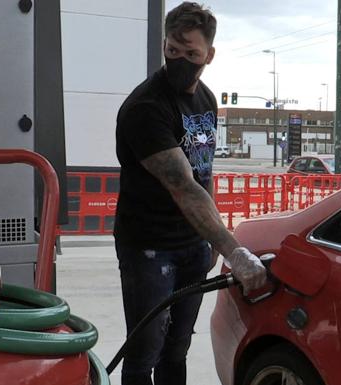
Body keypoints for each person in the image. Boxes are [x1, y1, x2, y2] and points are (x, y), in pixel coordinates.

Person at [114, 2, 267, 385]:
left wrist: (210, 236)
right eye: (172, 51)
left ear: (209, 55)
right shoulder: (146, 107)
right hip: (149, 246)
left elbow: (204, 172)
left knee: (178, 346)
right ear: (164, 45)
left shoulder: (207, 100)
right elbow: (183, 186)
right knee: (144, 349)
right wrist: (233, 248)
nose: (181, 61)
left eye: (192, 54)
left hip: (191, 244)